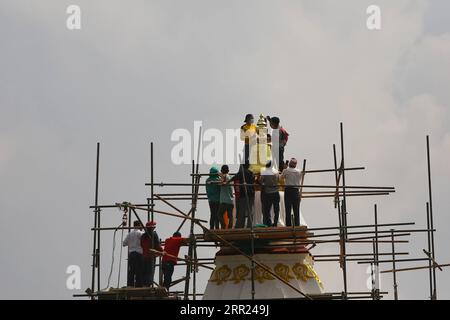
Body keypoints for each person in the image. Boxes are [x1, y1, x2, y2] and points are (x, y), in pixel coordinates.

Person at [232, 162, 255, 228]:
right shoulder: (251, 173)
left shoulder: (241, 173)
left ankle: (240, 225)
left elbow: (234, 178)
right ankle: (249, 225)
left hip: (243, 194)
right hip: (250, 194)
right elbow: (254, 180)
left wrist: (227, 182)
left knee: (242, 211)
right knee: (250, 210)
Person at [140, 221, 162, 287]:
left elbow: (141, 245)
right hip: (151, 255)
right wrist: (162, 251)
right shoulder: (154, 234)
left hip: (144, 256)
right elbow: (157, 245)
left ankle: (143, 284)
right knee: (150, 271)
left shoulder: (143, 235)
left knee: (144, 271)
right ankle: (148, 285)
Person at [123, 220, 144, 287]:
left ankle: (130, 285)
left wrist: (131, 242)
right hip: (139, 253)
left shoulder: (129, 234)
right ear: (139, 225)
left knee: (131, 270)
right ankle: (138, 285)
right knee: (139, 270)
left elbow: (124, 243)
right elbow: (145, 241)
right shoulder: (140, 233)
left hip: (131, 254)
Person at [281, 158, 302, 226]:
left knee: (288, 209)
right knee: (296, 210)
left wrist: (284, 169)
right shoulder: (299, 171)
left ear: (289, 163)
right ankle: (297, 224)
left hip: (288, 190)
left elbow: (281, 177)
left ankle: (288, 225)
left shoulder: (285, 170)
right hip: (296, 191)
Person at [260, 161, 280, 227]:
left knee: (267, 210)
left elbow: (261, 181)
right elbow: (278, 180)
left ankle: (269, 224)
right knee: (276, 210)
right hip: (276, 192)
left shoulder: (264, 172)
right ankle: (275, 223)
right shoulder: (276, 172)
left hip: (268, 192)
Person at [217, 165, 234, 229]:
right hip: (230, 201)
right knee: (230, 216)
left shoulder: (225, 176)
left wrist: (219, 174)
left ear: (222, 171)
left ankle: (223, 226)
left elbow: (222, 180)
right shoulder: (230, 177)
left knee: (219, 214)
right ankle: (230, 228)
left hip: (224, 201)